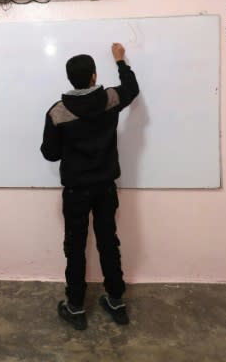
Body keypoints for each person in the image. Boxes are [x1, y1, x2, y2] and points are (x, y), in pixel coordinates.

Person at [40, 43, 140, 330]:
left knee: (75, 247)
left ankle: (75, 307)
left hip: (75, 191)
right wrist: (120, 61)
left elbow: (50, 153)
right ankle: (116, 302)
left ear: (71, 79)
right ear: (94, 76)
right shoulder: (110, 99)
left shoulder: (57, 112)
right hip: (105, 187)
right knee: (109, 242)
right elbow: (131, 88)